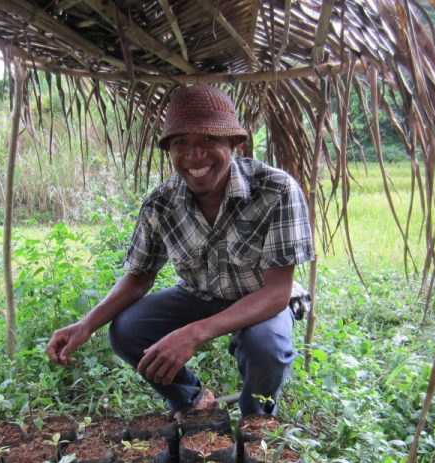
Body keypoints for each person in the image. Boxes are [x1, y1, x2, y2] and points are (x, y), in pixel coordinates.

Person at [46, 84, 314, 417]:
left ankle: (255, 419)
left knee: (266, 346)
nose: (194, 155)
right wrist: (86, 324)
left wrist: (193, 334)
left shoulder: (275, 190)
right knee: (127, 330)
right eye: (181, 143)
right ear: (169, 151)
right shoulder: (161, 203)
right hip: (199, 293)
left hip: (260, 297)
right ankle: (193, 402)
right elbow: (138, 278)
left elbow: (276, 293)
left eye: (209, 139)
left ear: (236, 144)